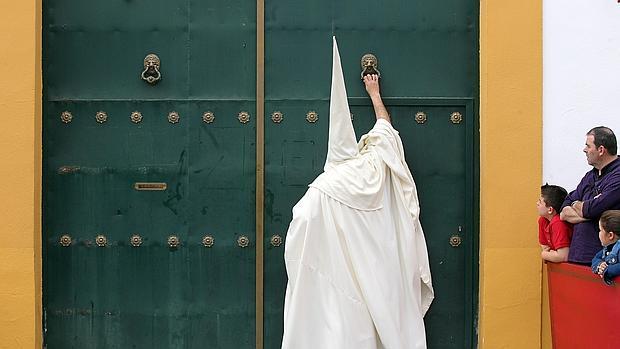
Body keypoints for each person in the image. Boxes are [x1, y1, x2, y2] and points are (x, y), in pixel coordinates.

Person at [281, 38, 433, 349]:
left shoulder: (323, 188)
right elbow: (385, 131)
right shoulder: (372, 167)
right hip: (376, 279)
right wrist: (374, 94)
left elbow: (301, 225)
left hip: (337, 283)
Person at [560, 127, 620, 264]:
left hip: (604, 262)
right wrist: (585, 210)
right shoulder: (590, 176)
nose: (584, 150)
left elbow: (593, 209)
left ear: (601, 150)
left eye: (588, 145)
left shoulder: (617, 175)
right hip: (577, 255)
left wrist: (589, 210)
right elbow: (565, 206)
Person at [537, 184, 572, 262]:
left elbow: (563, 256)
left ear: (550, 209)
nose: (537, 203)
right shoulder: (543, 220)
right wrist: (551, 254)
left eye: (540, 201)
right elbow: (545, 247)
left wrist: (544, 255)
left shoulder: (558, 223)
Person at [591, 210, 620, 285]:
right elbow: (595, 258)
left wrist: (606, 270)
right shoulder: (607, 249)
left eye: (600, 230)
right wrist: (599, 265)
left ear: (610, 235)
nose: (599, 233)